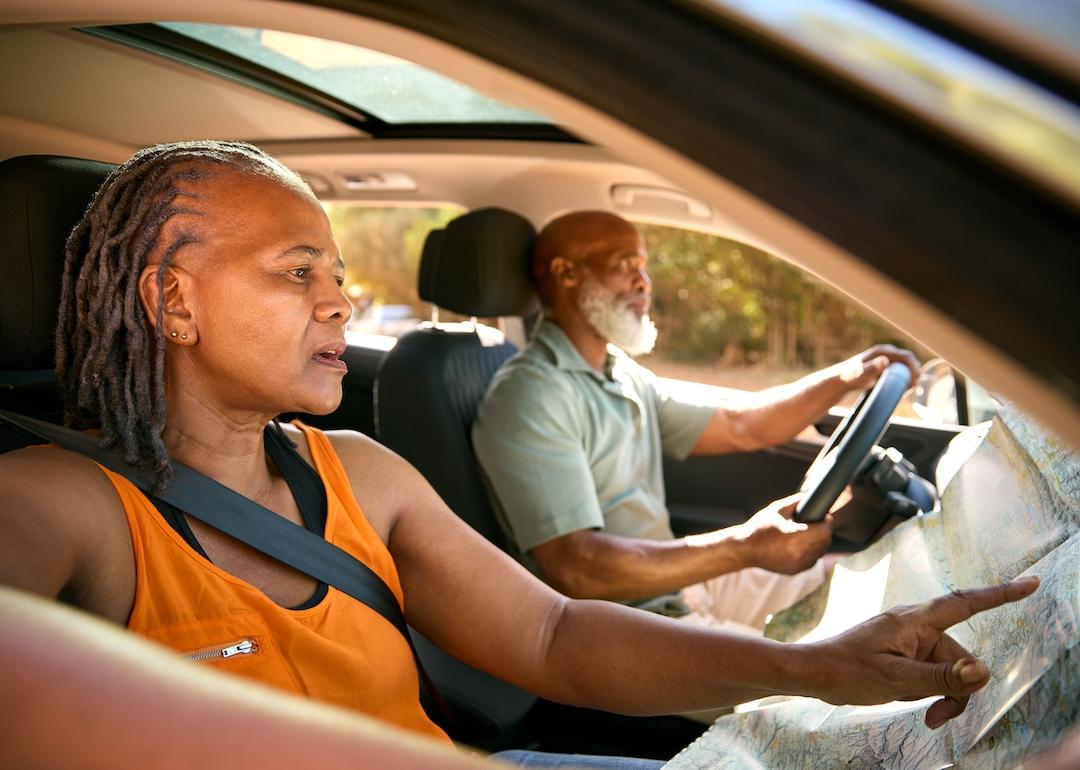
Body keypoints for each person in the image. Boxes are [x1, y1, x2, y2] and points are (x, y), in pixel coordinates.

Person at [0, 142, 1038, 770]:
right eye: (297, 268)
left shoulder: (360, 470)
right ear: (172, 299)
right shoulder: (61, 504)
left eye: (342, 271)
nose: (339, 298)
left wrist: (819, 669)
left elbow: (551, 634)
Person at [473, 210, 920, 633]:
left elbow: (739, 424)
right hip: (621, 627)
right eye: (625, 264)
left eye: (644, 266)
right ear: (567, 274)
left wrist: (847, 376)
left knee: (866, 585)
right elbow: (578, 568)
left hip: (678, 587)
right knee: (841, 670)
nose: (644, 282)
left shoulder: (621, 373)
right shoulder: (531, 394)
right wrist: (746, 546)